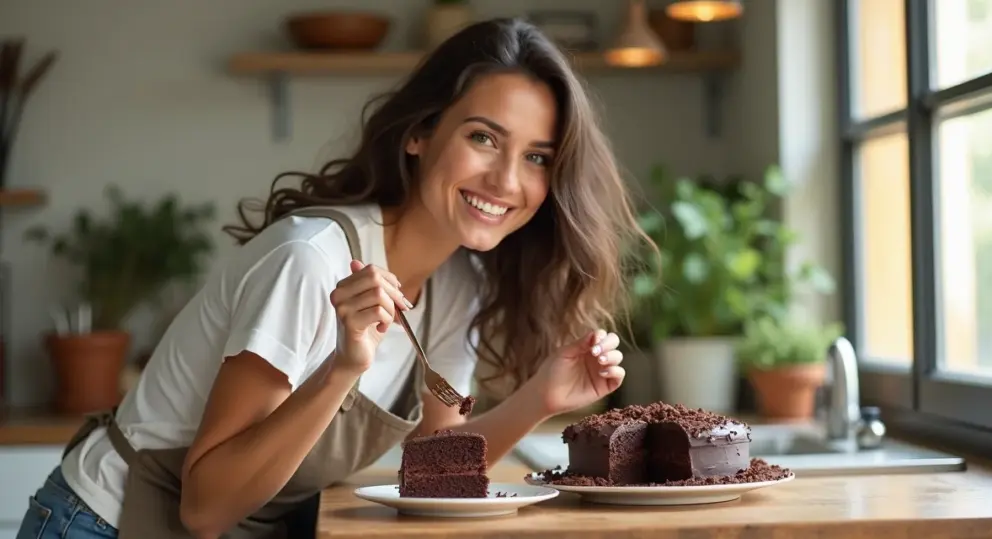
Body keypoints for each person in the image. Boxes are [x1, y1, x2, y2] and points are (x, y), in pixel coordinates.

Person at [17, 16, 651, 539]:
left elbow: (437, 468)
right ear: (420, 133)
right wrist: (343, 368)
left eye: (537, 157)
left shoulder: (461, 283)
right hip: (101, 521)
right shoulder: (310, 261)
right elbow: (205, 506)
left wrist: (541, 398)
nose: (507, 180)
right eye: (483, 138)